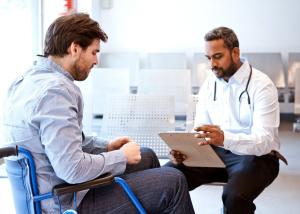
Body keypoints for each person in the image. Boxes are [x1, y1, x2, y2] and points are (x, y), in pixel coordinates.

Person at [1, 13, 195, 214]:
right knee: (174, 181)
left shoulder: (25, 81)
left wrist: (107, 146)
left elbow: (60, 143)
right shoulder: (56, 91)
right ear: (75, 48)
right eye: (94, 52)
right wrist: (120, 156)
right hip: (64, 202)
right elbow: (72, 169)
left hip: (46, 194)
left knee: (146, 156)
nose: (96, 61)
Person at [166, 26, 287, 214]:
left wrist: (225, 139)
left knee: (235, 197)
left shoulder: (262, 86)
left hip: (257, 157)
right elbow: (200, 130)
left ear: (235, 52)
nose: (212, 64)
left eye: (218, 56)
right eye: (208, 58)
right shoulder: (209, 84)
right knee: (166, 179)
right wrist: (185, 150)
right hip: (215, 154)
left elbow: (266, 141)